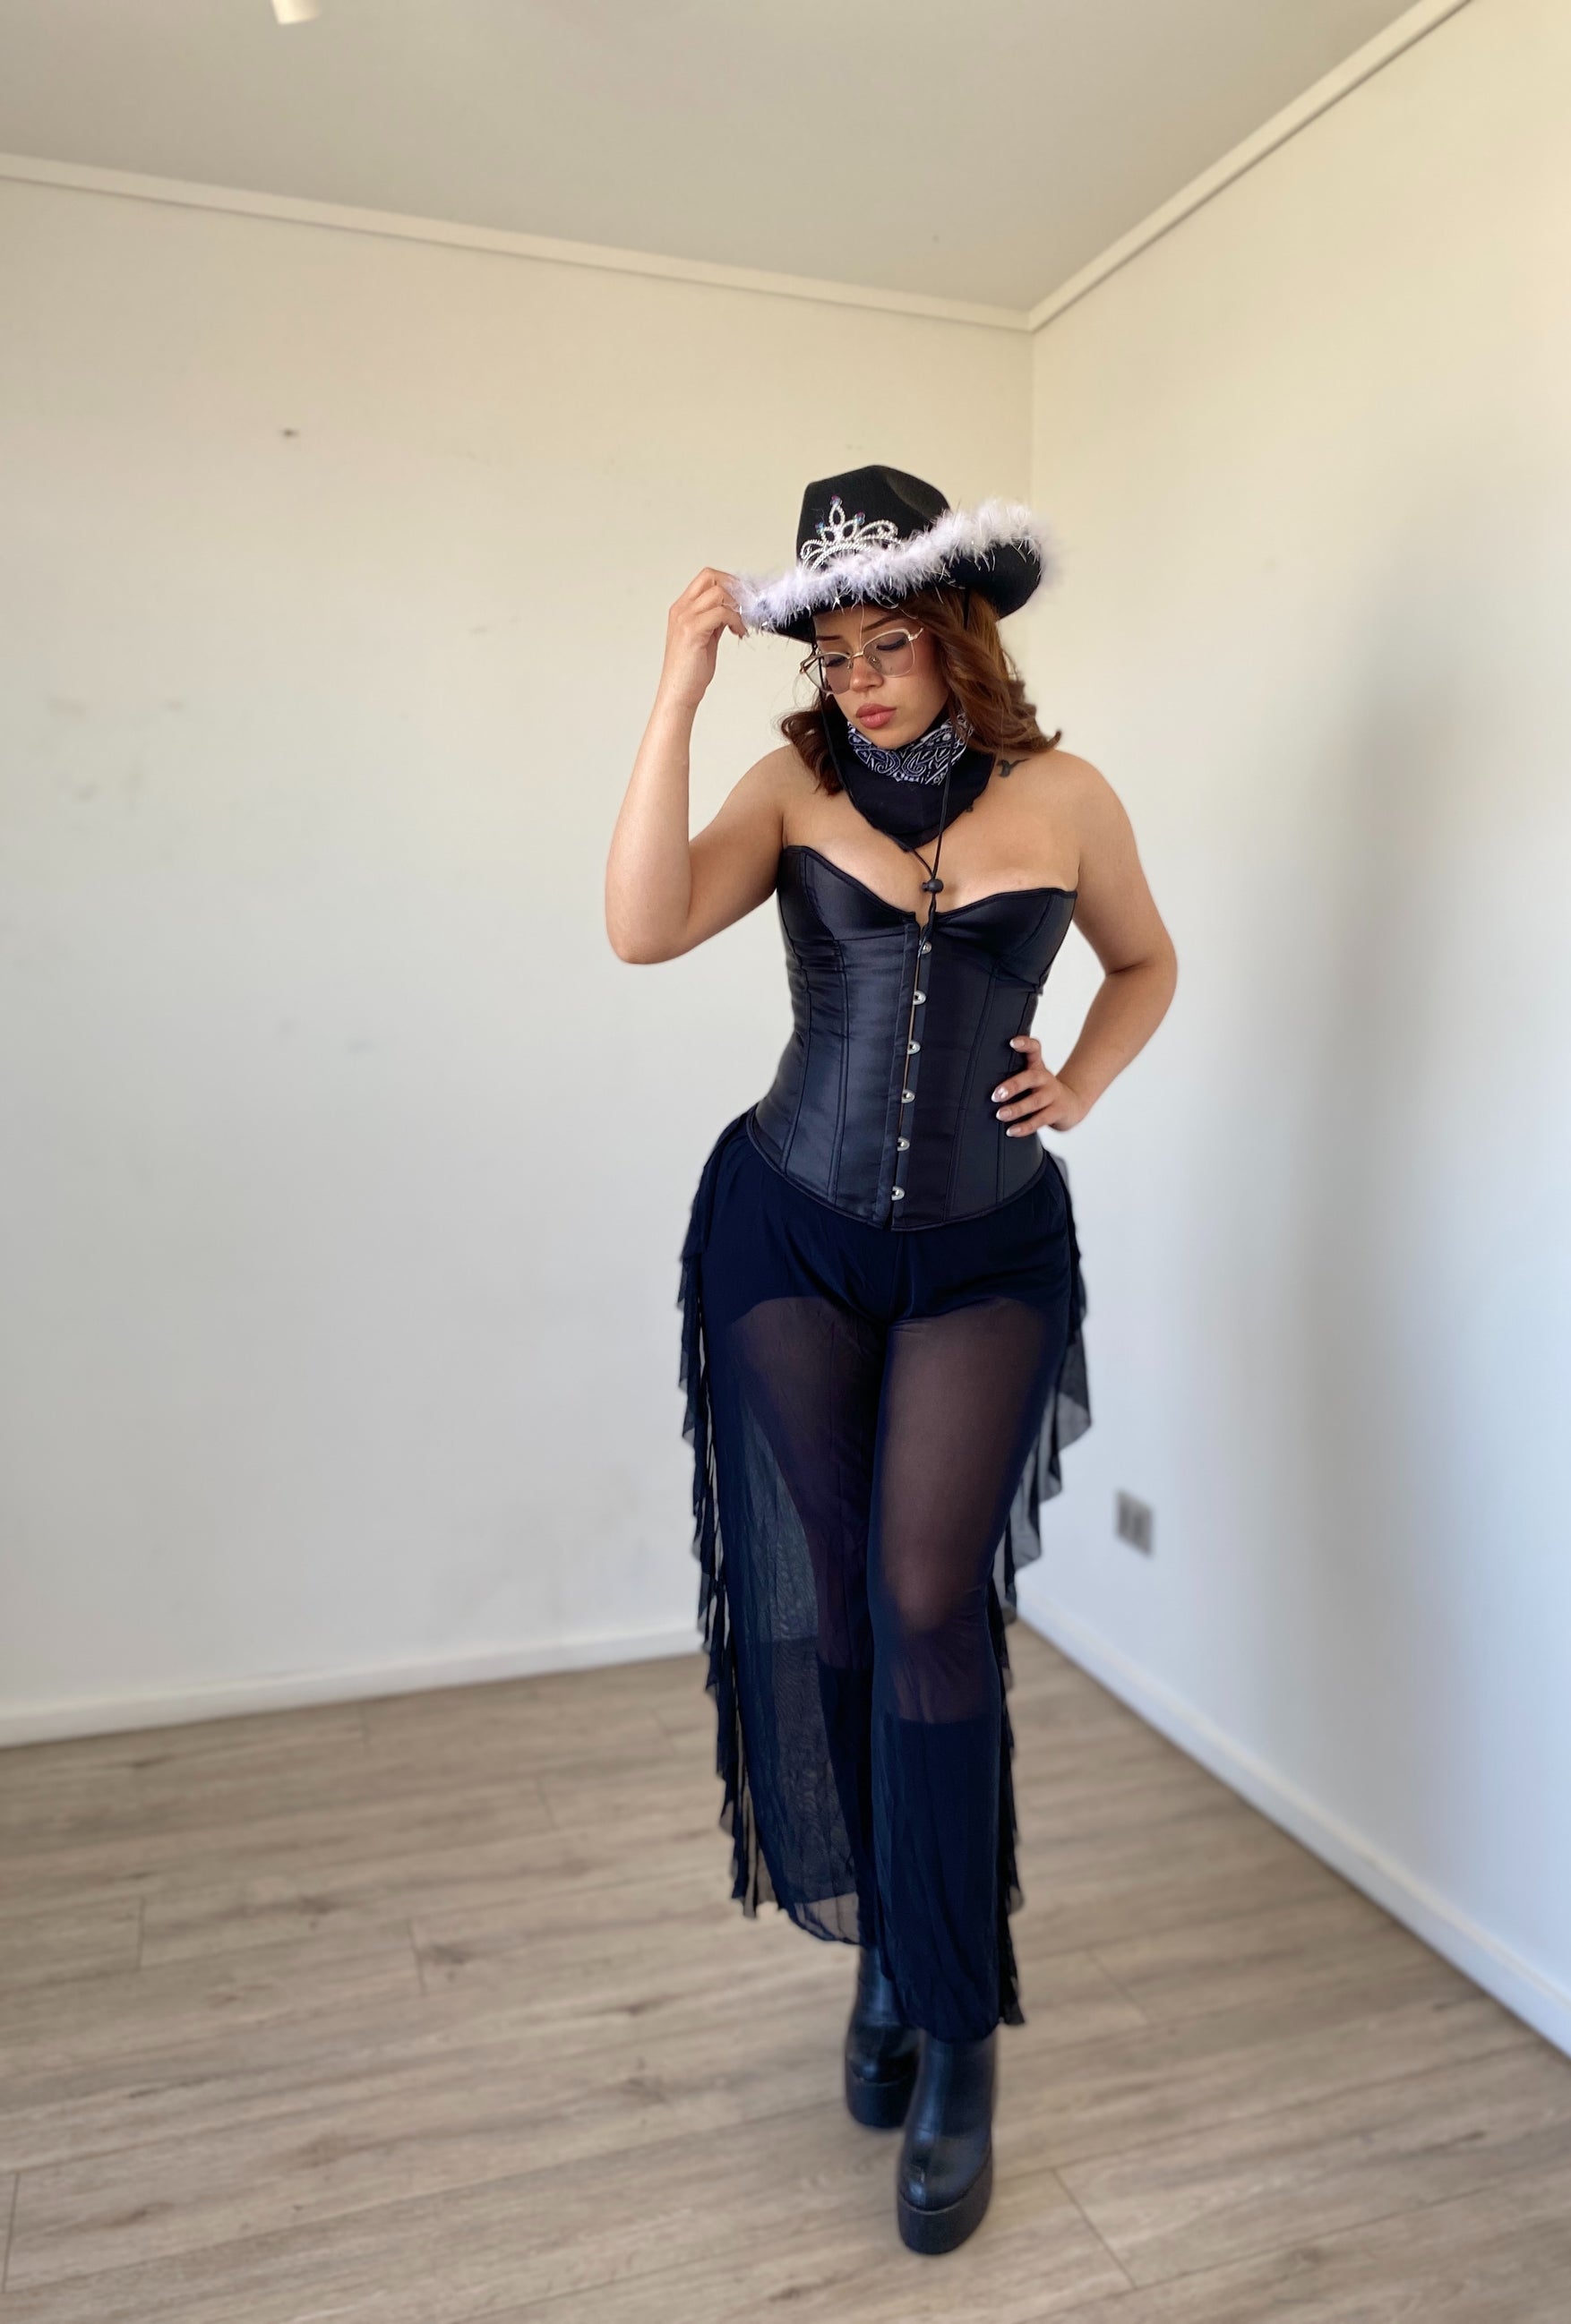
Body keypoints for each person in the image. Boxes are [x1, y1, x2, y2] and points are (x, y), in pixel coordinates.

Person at [605, 465, 1177, 2254]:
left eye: (887, 647)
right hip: (789, 1230)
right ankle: (881, 1950)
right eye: (830, 653)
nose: (856, 680)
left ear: (957, 636)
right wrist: (678, 691)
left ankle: (955, 2019)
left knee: (931, 1603)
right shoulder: (788, 788)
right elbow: (639, 925)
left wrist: (1080, 1081)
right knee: (845, 1608)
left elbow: (1146, 965)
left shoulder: (1066, 796)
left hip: (985, 1251)